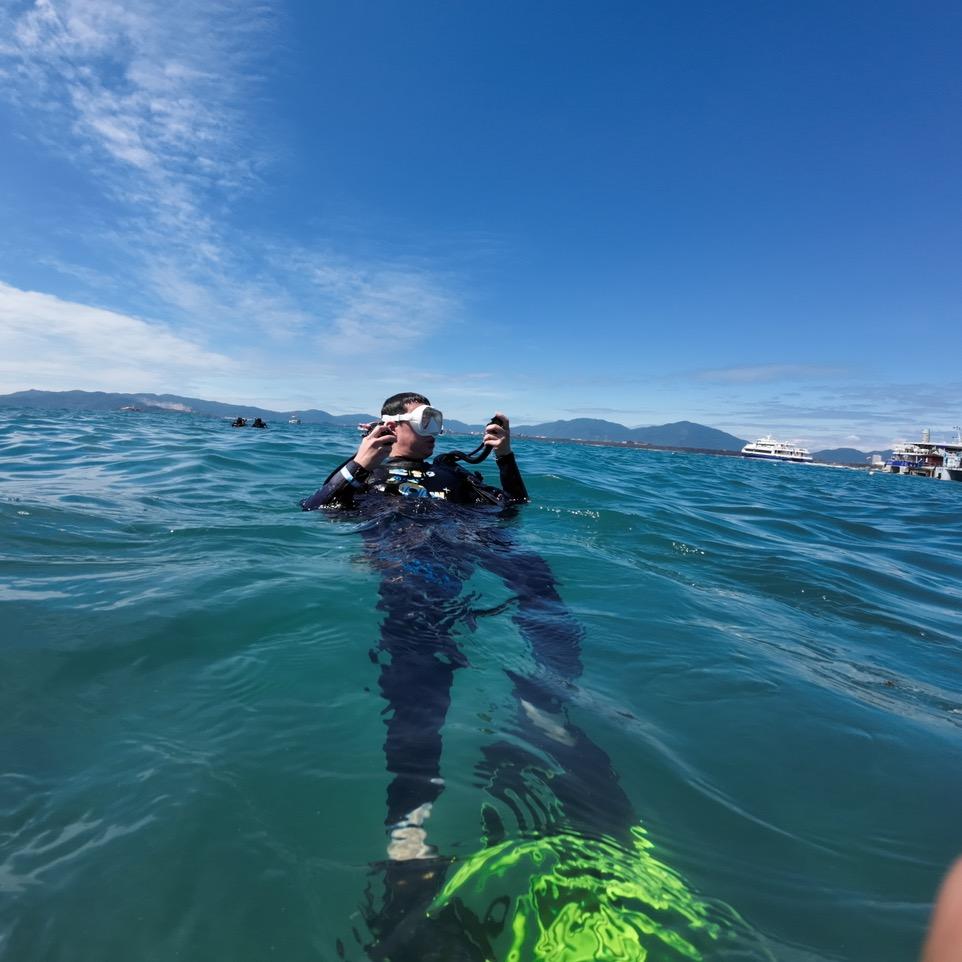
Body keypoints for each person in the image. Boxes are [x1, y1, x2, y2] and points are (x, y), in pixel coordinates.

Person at [300, 393, 760, 961]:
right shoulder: (366, 477)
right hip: (414, 562)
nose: (435, 427)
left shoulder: (451, 471)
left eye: (435, 417)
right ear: (391, 425)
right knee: (421, 663)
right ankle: (409, 838)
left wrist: (505, 457)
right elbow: (315, 508)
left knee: (543, 593)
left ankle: (545, 705)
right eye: (423, 418)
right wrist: (359, 463)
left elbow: (514, 506)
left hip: (478, 544)